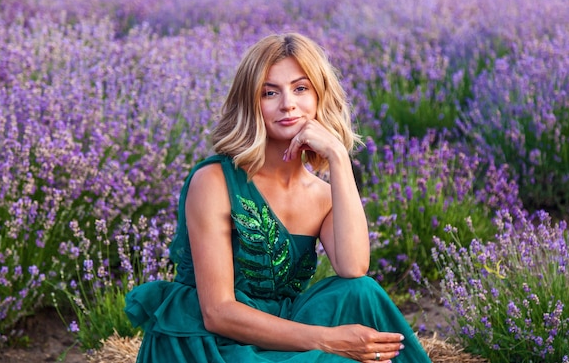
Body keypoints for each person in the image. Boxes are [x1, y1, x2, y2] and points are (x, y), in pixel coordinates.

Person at [124, 32, 432, 363]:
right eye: (270, 92)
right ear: (250, 103)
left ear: (319, 97)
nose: (288, 104)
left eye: (301, 89)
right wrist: (328, 340)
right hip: (211, 341)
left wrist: (339, 157)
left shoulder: (323, 196)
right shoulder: (213, 181)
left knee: (362, 292)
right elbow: (218, 312)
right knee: (336, 359)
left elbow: (354, 268)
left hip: (283, 328)